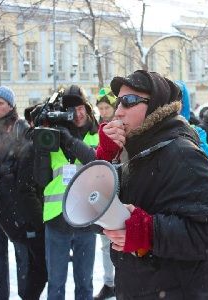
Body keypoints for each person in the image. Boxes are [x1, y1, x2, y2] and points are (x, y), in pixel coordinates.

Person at [96, 70, 208, 299]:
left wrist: (149, 231)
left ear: (155, 105)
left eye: (129, 101)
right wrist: (104, 161)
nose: (118, 111)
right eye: (118, 102)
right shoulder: (131, 153)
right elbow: (94, 214)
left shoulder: (181, 153)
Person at [34, 85, 98, 300]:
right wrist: (43, 145)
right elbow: (41, 180)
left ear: (87, 108)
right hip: (56, 220)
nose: (78, 113)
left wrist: (68, 140)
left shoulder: (96, 135)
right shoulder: (54, 137)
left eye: (81, 107)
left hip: (86, 219)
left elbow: (95, 160)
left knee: (85, 284)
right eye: (71, 109)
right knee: (56, 285)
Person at [0, 86, 46, 300]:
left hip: (18, 207)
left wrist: (2, 170)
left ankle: (25, 295)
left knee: (23, 256)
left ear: (10, 105)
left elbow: (26, 164)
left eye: (1, 103)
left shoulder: (21, 128)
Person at [94, 87, 116, 300]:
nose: (102, 111)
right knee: (105, 243)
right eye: (100, 108)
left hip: (117, 190)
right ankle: (109, 281)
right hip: (102, 190)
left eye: (106, 107)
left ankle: (118, 281)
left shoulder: (119, 128)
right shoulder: (98, 128)